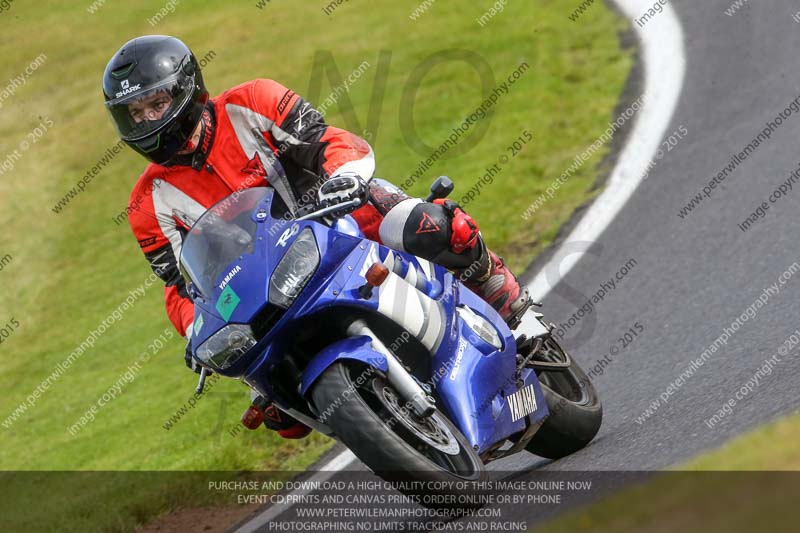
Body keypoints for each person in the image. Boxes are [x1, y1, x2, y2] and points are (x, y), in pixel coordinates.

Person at [103, 35, 531, 439]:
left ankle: (516, 314)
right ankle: (382, 423)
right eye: (135, 113)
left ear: (188, 90)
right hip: (265, 292)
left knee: (437, 228)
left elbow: (329, 141)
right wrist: (196, 329)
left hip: (344, 220)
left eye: (156, 104)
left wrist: (343, 178)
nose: (148, 121)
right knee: (277, 408)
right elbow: (181, 286)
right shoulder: (146, 203)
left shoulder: (253, 100)